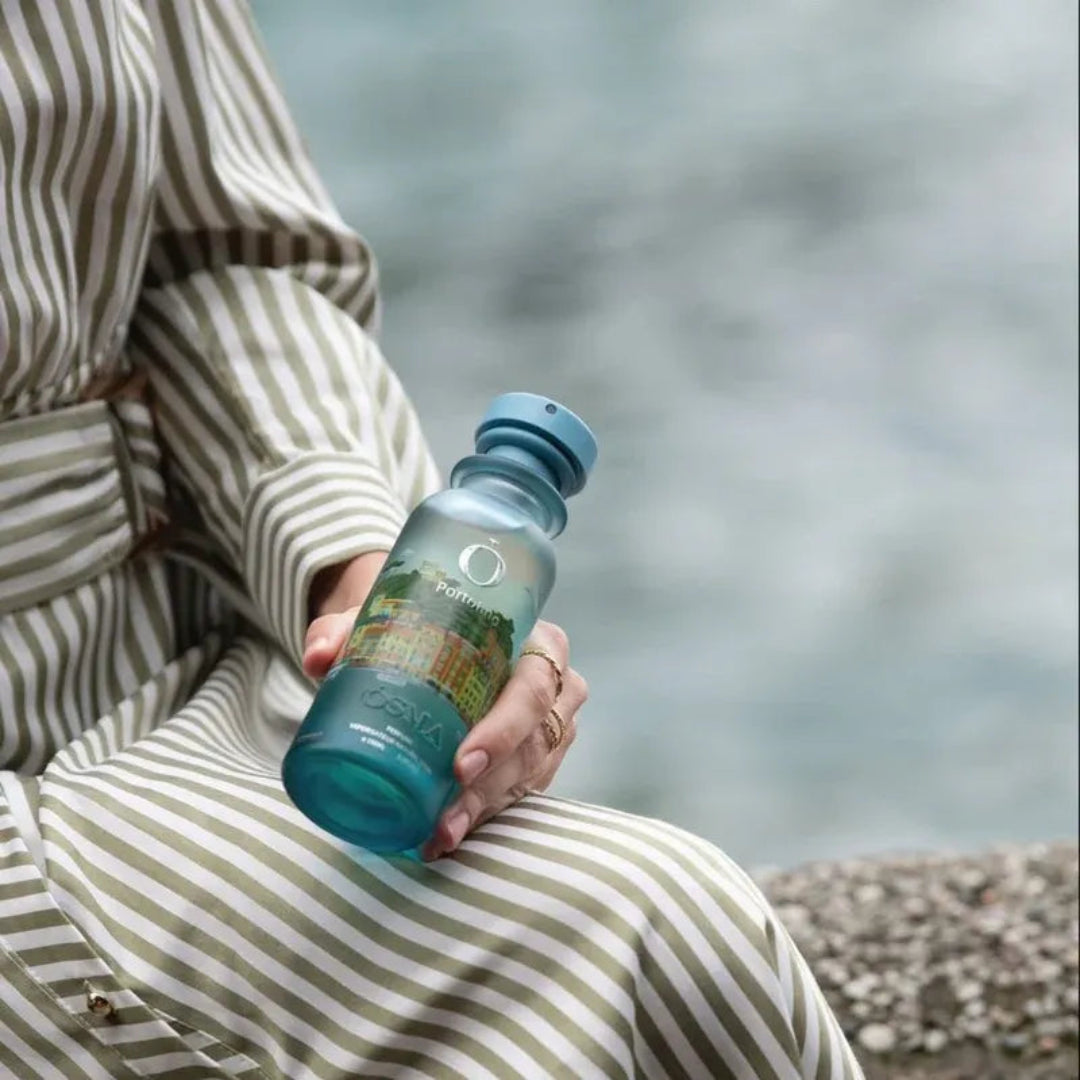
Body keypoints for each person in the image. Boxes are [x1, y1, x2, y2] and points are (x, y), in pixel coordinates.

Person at [0, 3, 864, 1077]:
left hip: (160, 663)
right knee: (591, 948)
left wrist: (359, 567)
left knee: (673, 936)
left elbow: (225, 258)